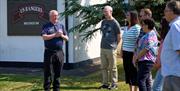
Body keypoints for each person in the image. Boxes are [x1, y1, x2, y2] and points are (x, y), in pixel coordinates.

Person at [41, 10, 68, 91]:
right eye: (53, 15)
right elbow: (44, 37)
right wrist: (55, 35)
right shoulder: (46, 26)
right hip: (49, 52)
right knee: (48, 71)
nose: (55, 17)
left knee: (58, 72)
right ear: (50, 17)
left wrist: (61, 35)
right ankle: (47, 88)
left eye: (56, 15)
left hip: (59, 52)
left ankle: (56, 88)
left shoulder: (61, 26)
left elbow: (67, 38)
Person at [99, 5, 121, 90]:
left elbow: (119, 37)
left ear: (111, 12)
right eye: (104, 11)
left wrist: (114, 46)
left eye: (106, 11)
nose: (104, 13)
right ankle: (105, 84)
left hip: (111, 49)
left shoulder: (115, 23)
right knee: (103, 67)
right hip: (103, 47)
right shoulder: (103, 22)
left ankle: (114, 84)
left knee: (113, 68)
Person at [134, 19, 158, 91]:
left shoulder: (151, 34)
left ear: (147, 25)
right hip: (143, 60)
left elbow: (146, 49)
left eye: (143, 25)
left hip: (147, 61)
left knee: (140, 80)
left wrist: (137, 58)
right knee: (146, 81)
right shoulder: (147, 34)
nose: (142, 26)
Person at [161, 1, 180, 91]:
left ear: (172, 11)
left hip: (173, 74)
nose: (164, 13)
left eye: (166, 10)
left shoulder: (175, 26)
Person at [122, 11, 141, 91]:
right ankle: (131, 89)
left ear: (133, 17)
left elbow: (139, 41)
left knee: (134, 72)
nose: (126, 16)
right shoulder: (126, 27)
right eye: (126, 15)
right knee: (127, 71)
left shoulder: (137, 27)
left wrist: (135, 54)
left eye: (128, 15)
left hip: (132, 54)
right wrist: (121, 50)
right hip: (125, 52)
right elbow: (124, 40)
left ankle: (136, 89)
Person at [152, 17, 169, 91]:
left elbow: (166, 53)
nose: (160, 26)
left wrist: (159, 63)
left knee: (156, 87)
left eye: (162, 24)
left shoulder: (167, 38)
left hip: (163, 65)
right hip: (161, 65)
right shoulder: (163, 38)